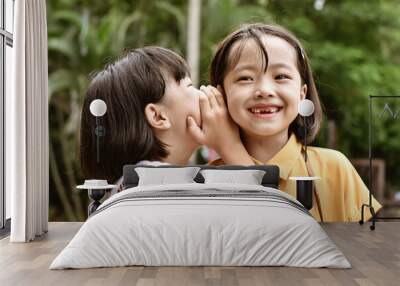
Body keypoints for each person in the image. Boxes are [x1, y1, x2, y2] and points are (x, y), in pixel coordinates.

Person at [187, 23, 381, 222]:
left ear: (301, 93)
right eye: (245, 78)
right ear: (221, 94)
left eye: (280, 76)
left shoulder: (334, 168)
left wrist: (231, 148)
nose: (264, 90)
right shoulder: (203, 181)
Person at [80, 46, 248, 193]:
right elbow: (269, 212)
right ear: (158, 116)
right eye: (190, 86)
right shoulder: (158, 187)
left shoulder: (141, 184)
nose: (204, 93)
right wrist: (230, 145)